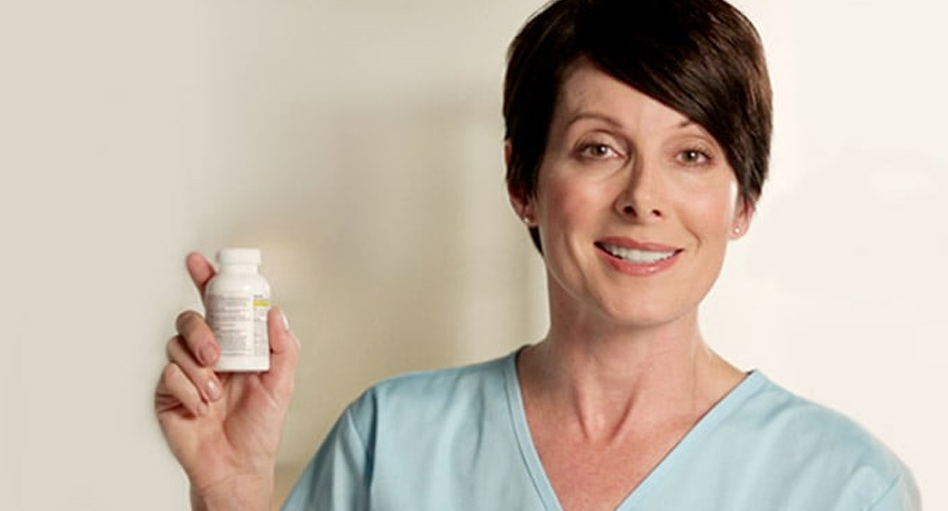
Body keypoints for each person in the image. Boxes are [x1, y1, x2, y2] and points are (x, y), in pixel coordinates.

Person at [155, 0, 921, 509]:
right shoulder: (392, 443)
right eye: (598, 148)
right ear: (523, 182)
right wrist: (233, 486)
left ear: (742, 200)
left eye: (692, 155)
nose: (643, 197)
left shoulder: (845, 486)